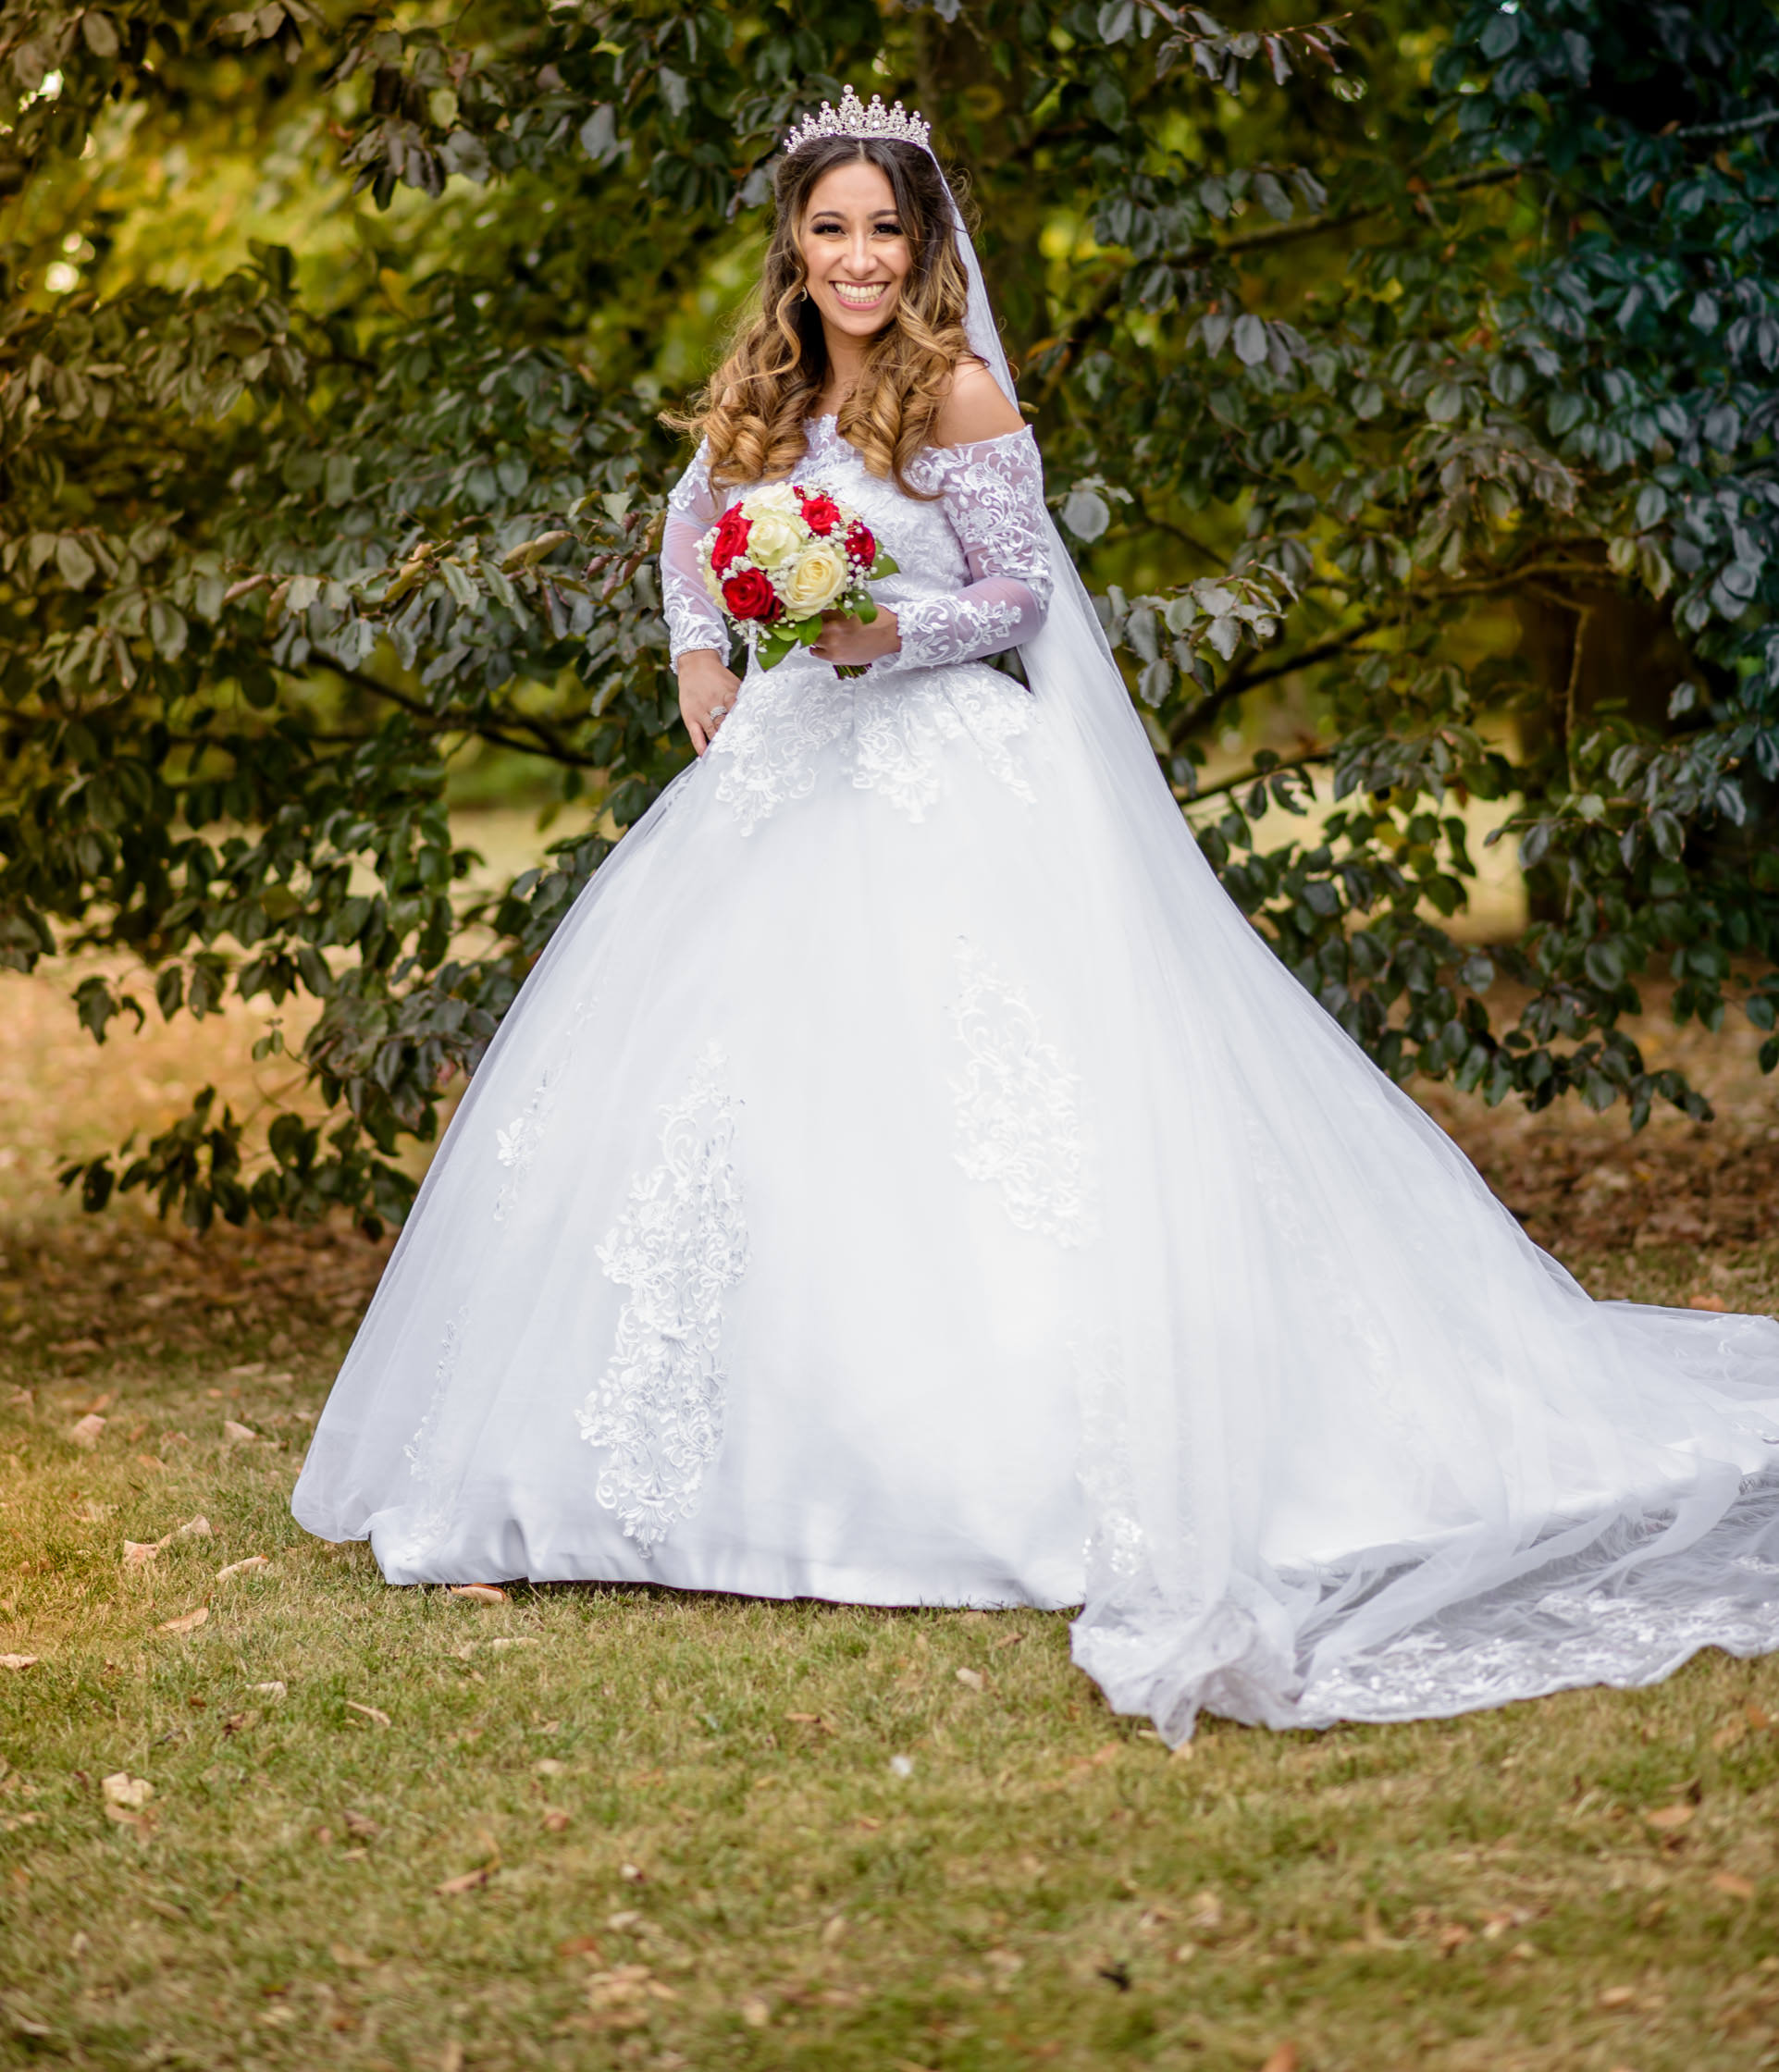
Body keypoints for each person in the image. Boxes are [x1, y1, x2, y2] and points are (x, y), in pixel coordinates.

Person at [295, 88, 1779, 1738]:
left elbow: (1015, 598)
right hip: (779, 784)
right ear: (794, 242)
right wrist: (702, 655)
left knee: (987, 1103)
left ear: (925, 248)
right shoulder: (764, 397)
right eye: (830, 227)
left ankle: (963, 1475)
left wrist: (886, 638)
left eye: (886, 230)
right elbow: (688, 538)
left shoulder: (962, 394)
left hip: (938, 768)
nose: (858, 257)